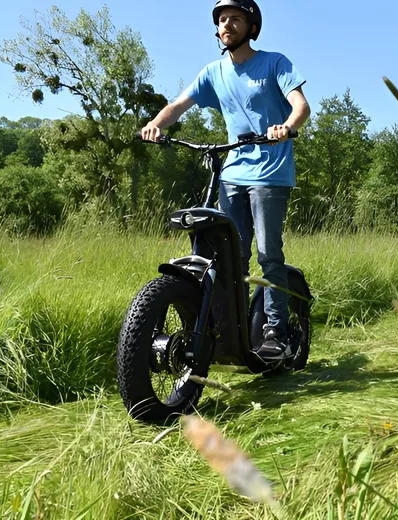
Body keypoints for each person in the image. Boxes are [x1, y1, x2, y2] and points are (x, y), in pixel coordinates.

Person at [140, 0, 311, 363]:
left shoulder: (274, 63)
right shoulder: (213, 72)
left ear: (251, 26)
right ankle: (219, 331)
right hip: (232, 173)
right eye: (221, 20)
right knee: (230, 256)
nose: (226, 24)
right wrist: (157, 123)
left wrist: (287, 128)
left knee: (268, 254)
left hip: (270, 171)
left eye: (234, 18)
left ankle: (275, 332)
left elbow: (301, 106)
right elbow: (178, 105)